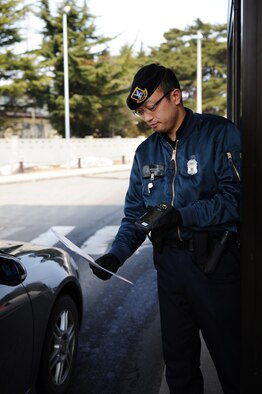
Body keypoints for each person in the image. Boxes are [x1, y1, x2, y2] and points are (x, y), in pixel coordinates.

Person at [90, 63, 241, 394]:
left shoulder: (219, 134)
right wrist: (116, 255)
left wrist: (182, 216)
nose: (147, 118)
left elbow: (235, 201)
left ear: (176, 96)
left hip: (215, 266)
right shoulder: (145, 153)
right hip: (170, 269)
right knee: (179, 365)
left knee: (233, 364)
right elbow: (134, 214)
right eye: (142, 111)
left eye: (152, 107)